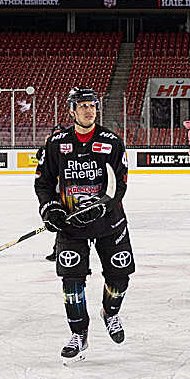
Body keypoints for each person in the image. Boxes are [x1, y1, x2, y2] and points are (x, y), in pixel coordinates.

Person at [35, 87, 135, 359]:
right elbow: (43, 183)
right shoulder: (56, 143)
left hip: (109, 222)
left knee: (120, 277)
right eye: (82, 105)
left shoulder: (111, 141)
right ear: (72, 110)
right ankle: (79, 333)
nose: (88, 110)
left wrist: (102, 207)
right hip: (71, 224)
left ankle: (110, 313)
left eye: (92, 105)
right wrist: (51, 209)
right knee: (71, 282)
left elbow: (120, 185)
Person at [37, 124, 65, 262]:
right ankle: (57, 250)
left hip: (69, 191)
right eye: (55, 134)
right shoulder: (49, 149)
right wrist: (45, 147)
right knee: (60, 221)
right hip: (55, 192)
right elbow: (39, 157)